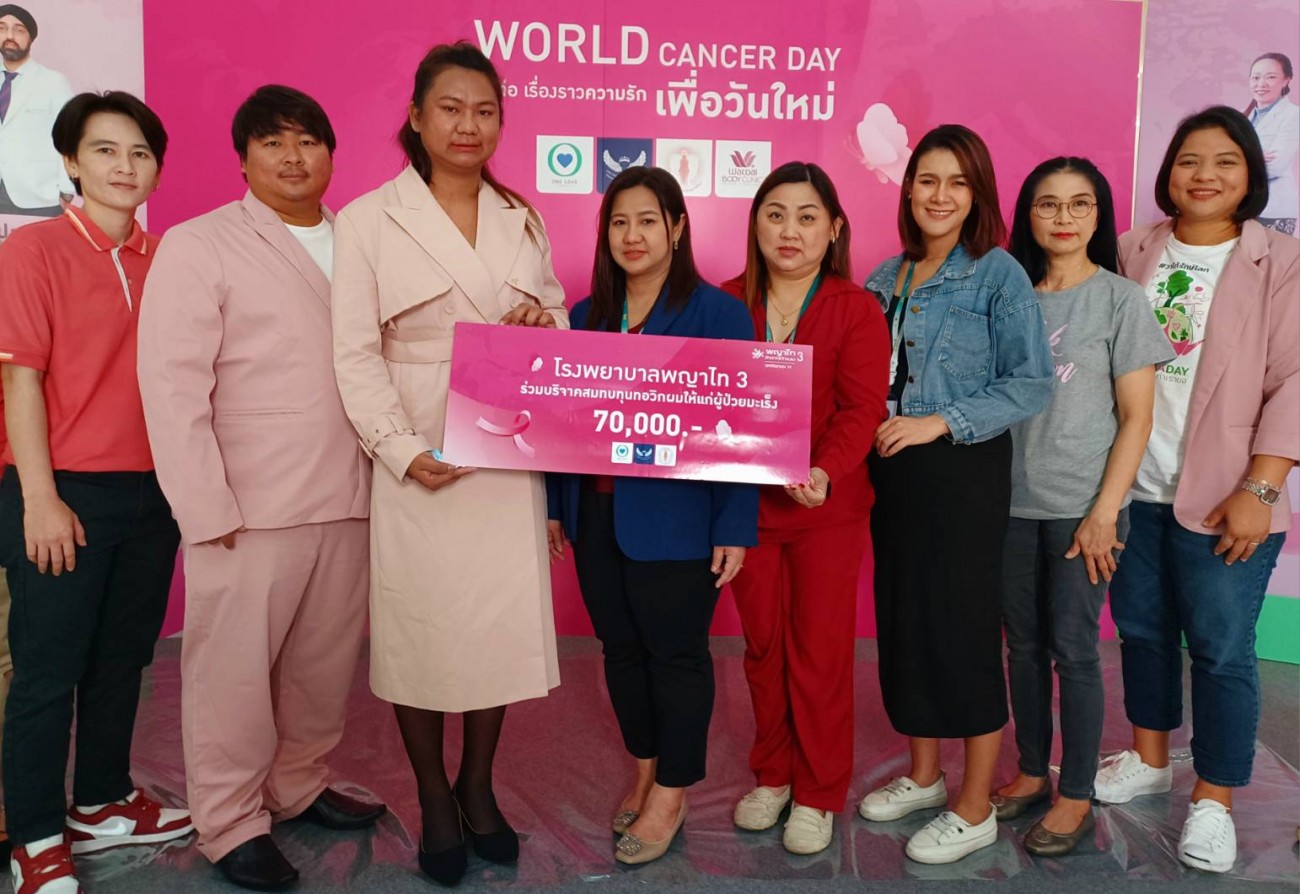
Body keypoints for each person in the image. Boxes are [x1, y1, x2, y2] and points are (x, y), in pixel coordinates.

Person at [137, 85, 383, 892]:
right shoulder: (199, 243)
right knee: (232, 677)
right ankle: (231, 820)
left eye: (308, 140)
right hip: (245, 508)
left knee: (322, 668)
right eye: (273, 142)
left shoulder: (361, 241)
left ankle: (298, 784)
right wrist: (203, 507)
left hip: (353, 494)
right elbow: (171, 384)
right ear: (243, 158)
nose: (292, 156)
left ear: (332, 154)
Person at [331, 41, 565, 888]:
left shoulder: (521, 217)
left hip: (504, 443)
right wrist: (400, 450)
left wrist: (542, 326)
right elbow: (354, 353)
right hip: (421, 444)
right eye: (452, 108)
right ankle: (434, 794)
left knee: (494, 626)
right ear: (417, 117)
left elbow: (556, 318)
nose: (469, 125)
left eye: (485, 110)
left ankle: (477, 784)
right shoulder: (368, 219)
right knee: (423, 629)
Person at [1094, 106, 1298, 874]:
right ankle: (1150, 758)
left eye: (1224, 161)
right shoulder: (1132, 248)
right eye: (1189, 160)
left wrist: (1262, 488)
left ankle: (1214, 799)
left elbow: (1296, 379)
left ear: (1250, 175)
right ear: (1168, 172)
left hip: (1226, 494)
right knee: (1141, 632)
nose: (1204, 175)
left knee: (1219, 649)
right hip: (1136, 486)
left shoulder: (1281, 260)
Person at [0, 91, 192, 894]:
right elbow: (20, 380)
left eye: (140, 152)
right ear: (71, 162)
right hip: (63, 491)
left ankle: (102, 801)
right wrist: (39, 498)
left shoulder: (169, 259)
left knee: (122, 660)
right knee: (47, 672)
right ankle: (35, 838)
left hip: (153, 496)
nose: (125, 166)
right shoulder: (33, 249)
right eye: (106, 150)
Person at [546, 166, 757, 866]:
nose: (631, 236)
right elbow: (561, 423)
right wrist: (554, 508)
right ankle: (644, 769)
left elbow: (742, 429)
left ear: (677, 227)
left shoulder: (718, 314)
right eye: (618, 222)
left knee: (677, 656)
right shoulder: (584, 316)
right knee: (621, 652)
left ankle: (672, 791)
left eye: (646, 221)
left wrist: (734, 525)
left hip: (679, 521)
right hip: (596, 516)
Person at [858, 124, 1053, 864]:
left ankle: (974, 808)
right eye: (928, 180)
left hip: (961, 471)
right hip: (893, 473)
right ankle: (924, 776)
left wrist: (939, 421)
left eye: (957, 182)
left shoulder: (998, 274)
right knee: (906, 622)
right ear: (908, 188)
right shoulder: (886, 276)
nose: (940, 195)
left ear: (977, 194)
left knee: (963, 631)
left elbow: (1030, 382)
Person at [993, 157, 1172, 856]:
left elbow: (1137, 418)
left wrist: (1105, 511)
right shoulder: (1007, 297)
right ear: (1027, 215)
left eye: (1080, 204)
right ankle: (1032, 770)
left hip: (1083, 511)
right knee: (1023, 647)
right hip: (1009, 504)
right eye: (1048, 204)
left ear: (1099, 215)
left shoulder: (1120, 300)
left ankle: (1075, 793)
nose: (1063, 217)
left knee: (1073, 650)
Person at [718, 162, 888, 855]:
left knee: (818, 652)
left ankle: (819, 791)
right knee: (762, 649)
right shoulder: (723, 304)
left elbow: (861, 409)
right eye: (776, 214)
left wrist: (824, 468)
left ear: (834, 229)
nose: (790, 230)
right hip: (746, 512)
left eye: (807, 216)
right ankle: (774, 774)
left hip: (825, 508)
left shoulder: (855, 307)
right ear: (755, 223)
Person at [0, 5, 74, 216]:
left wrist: (67, 189)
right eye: (2, 28)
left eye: (19, 30)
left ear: (31, 37)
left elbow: (70, 136)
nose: (9, 36)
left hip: (37, 196)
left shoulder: (53, 82)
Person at [1243, 53, 1299, 235]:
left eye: (1271, 77)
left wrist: (1238, 160)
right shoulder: (1241, 117)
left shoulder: (1293, 115)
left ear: (1286, 80)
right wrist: (1254, 158)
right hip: (1240, 207)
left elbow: (1275, 166)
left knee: (1270, 255)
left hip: (1273, 209)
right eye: (1255, 77)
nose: (1261, 84)